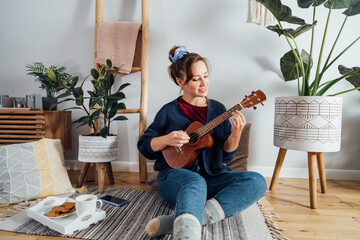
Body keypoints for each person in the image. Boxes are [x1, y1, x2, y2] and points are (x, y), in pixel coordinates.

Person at [137, 46, 267, 240]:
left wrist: (236, 134)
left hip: (213, 177)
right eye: (196, 79)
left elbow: (226, 157)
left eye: (206, 76)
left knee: (257, 181)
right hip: (176, 179)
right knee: (194, 181)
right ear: (180, 81)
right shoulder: (168, 111)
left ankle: (181, 219)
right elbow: (145, 146)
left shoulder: (219, 110)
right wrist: (167, 139)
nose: (203, 83)